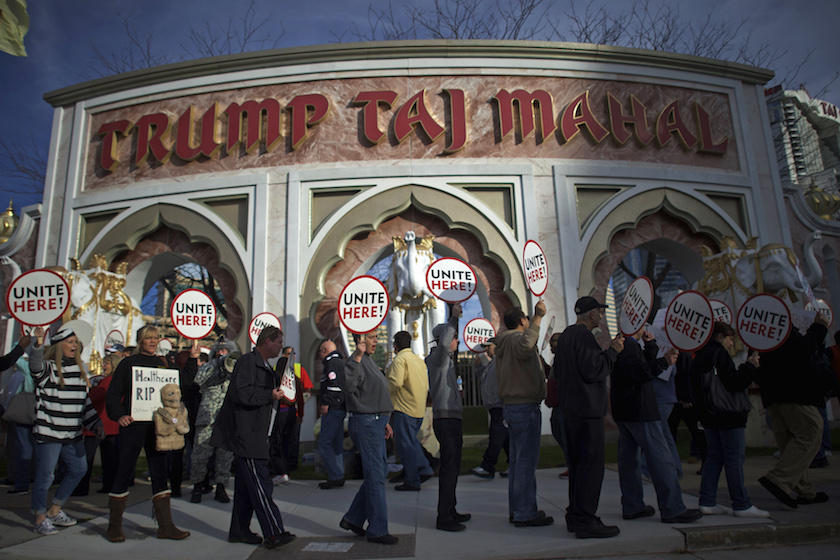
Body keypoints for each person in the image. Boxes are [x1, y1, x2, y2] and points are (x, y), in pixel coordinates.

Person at [105, 325, 198, 543]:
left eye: (156, 338)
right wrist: (119, 415)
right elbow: (113, 394)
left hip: (159, 427)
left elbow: (184, 384)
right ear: (140, 341)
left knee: (159, 473)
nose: (153, 341)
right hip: (134, 426)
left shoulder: (164, 363)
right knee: (123, 471)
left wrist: (192, 359)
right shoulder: (128, 363)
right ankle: (114, 527)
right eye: (148, 338)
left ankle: (166, 525)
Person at [210, 325, 296, 549]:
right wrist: (269, 395)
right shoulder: (248, 362)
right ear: (267, 341)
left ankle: (239, 531)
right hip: (248, 435)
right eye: (278, 342)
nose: (280, 346)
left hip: (254, 434)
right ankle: (274, 532)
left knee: (246, 488)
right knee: (260, 485)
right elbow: (241, 393)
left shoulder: (262, 365)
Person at [611, 326, 702, 523]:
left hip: (626, 411)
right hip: (640, 410)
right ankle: (673, 508)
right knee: (661, 458)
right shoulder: (629, 347)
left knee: (629, 461)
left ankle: (633, 505)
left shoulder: (627, 345)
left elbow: (641, 365)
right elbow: (638, 373)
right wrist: (663, 362)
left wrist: (651, 346)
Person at [555, 296, 624, 539]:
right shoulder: (583, 336)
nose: (602, 317)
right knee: (590, 468)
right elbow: (594, 369)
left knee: (578, 467)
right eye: (600, 312)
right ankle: (585, 519)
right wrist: (613, 352)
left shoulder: (566, 336)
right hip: (586, 411)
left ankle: (576, 515)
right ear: (592, 314)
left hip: (572, 411)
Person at [29, 324, 103, 536]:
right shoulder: (48, 368)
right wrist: (37, 344)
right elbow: (35, 366)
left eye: (75, 342)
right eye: (69, 342)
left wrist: (95, 423)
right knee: (45, 476)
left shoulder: (81, 372)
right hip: (49, 433)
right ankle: (40, 517)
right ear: (58, 346)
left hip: (72, 435)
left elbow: (84, 404)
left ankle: (55, 509)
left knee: (79, 469)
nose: (74, 345)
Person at [690, 321, 768, 518]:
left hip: (709, 415)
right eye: (730, 339)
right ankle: (741, 504)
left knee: (714, 457)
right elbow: (734, 382)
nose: (731, 343)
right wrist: (749, 367)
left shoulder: (699, 355)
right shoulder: (719, 354)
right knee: (734, 459)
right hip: (728, 415)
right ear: (720, 337)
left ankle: (707, 501)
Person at [756, 314, 831, 508]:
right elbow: (804, 348)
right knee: (811, 433)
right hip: (795, 393)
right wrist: (819, 327)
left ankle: (804, 490)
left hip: (774, 395)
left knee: (790, 441)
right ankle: (778, 478)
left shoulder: (760, 334)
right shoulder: (781, 329)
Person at [495, 302, 553, 528]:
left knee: (519, 462)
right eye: (527, 319)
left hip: (513, 406)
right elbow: (527, 344)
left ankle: (518, 508)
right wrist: (539, 317)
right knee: (526, 462)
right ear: (522, 321)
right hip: (524, 407)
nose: (530, 322)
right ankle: (524, 512)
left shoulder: (504, 341)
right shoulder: (516, 340)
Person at [338, 330, 398, 545]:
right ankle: (378, 530)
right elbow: (347, 386)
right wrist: (356, 356)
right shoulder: (357, 361)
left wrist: (385, 419)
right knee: (375, 477)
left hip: (376, 421)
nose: (376, 341)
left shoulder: (369, 362)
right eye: (372, 337)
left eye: (376, 337)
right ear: (360, 340)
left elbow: (376, 394)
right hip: (366, 423)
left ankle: (353, 518)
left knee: (379, 472)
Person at [426, 303, 472, 532]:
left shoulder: (445, 361)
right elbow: (445, 343)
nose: (457, 341)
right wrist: (453, 318)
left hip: (452, 418)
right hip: (445, 419)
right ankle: (444, 517)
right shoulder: (438, 358)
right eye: (454, 337)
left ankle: (450, 509)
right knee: (448, 467)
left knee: (453, 467)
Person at [189, 339, 239, 504]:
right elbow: (198, 379)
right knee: (200, 454)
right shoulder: (208, 367)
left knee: (225, 456)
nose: (222, 353)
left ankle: (221, 487)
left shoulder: (234, 369)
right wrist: (216, 364)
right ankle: (198, 486)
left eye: (225, 350)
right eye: (219, 350)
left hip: (226, 418)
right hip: (208, 417)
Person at [387, 330, 434, 491]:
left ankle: (415, 477)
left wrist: (383, 392)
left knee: (405, 445)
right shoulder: (418, 360)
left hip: (403, 408)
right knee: (409, 442)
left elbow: (396, 382)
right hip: (418, 408)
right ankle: (413, 472)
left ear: (395, 346)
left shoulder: (399, 360)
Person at [74, 352, 122, 496]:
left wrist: (89, 387)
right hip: (112, 425)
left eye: (106, 363)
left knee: (87, 458)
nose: (103, 366)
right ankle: (109, 485)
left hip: (98, 424)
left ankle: (82, 488)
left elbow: (92, 398)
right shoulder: (118, 381)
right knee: (109, 459)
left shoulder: (106, 382)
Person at [471, 338, 509, 479]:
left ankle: (488, 466)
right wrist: (478, 366)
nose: (486, 349)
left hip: (500, 405)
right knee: (504, 437)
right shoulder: (493, 363)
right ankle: (513, 462)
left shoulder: (502, 362)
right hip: (495, 405)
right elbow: (484, 379)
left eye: (489, 346)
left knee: (496, 436)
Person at [3, 330, 34, 496]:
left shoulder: (28, 372)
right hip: (37, 412)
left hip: (25, 413)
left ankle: (21, 483)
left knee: (24, 449)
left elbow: (10, 361)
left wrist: (20, 344)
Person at [668, 352, 708, 474]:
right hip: (677, 399)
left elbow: (686, 375)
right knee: (674, 433)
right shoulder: (681, 353)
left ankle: (705, 461)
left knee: (696, 433)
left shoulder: (682, 354)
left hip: (681, 400)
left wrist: (686, 397)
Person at [317, 339, 347, 489]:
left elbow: (334, 387)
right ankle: (339, 474)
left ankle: (335, 475)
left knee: (325, 442)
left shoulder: (331, 363)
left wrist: (326, 403)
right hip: (339, 408)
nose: (320, 355)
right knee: (336, 444)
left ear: (325, 351)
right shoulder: (339, 362)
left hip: (333, 409)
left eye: (321, 351)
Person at [545, 332, 569, 478]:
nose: (550, 344)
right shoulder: (556, 360)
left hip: (563, 404)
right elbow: (550, 375)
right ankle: (570, 461)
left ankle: (572, 464)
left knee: (565, 435)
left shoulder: (565, 359)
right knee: (557, 431)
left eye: (553, 341)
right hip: (556, 404)